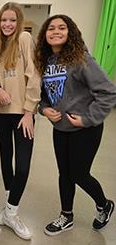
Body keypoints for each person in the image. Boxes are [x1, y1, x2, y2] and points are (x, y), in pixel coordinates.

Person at [34, 14, 116, 235]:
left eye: (62, 28)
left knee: (79, 174)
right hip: (60, 128)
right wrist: (44, 109)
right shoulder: (45, 62)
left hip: (85, 129)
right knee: (65, 173)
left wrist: (87, 118)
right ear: (45, 35)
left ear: (71, 33)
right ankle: (66, 216)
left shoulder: (82, 60)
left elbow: (108, 92)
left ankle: (104, 204)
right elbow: (42, 96)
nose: (56, 32)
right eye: (51, 28)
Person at [0, 2, 41, 240]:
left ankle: (10, 213)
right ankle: (10, 209)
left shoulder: (25, 39)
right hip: (1, 113)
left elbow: (35, 75)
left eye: (11, 20)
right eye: (3, 20)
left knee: (22, 166)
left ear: (19, 21)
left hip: (23, 114)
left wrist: (29, 111)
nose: (7, 24)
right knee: (5, 159)